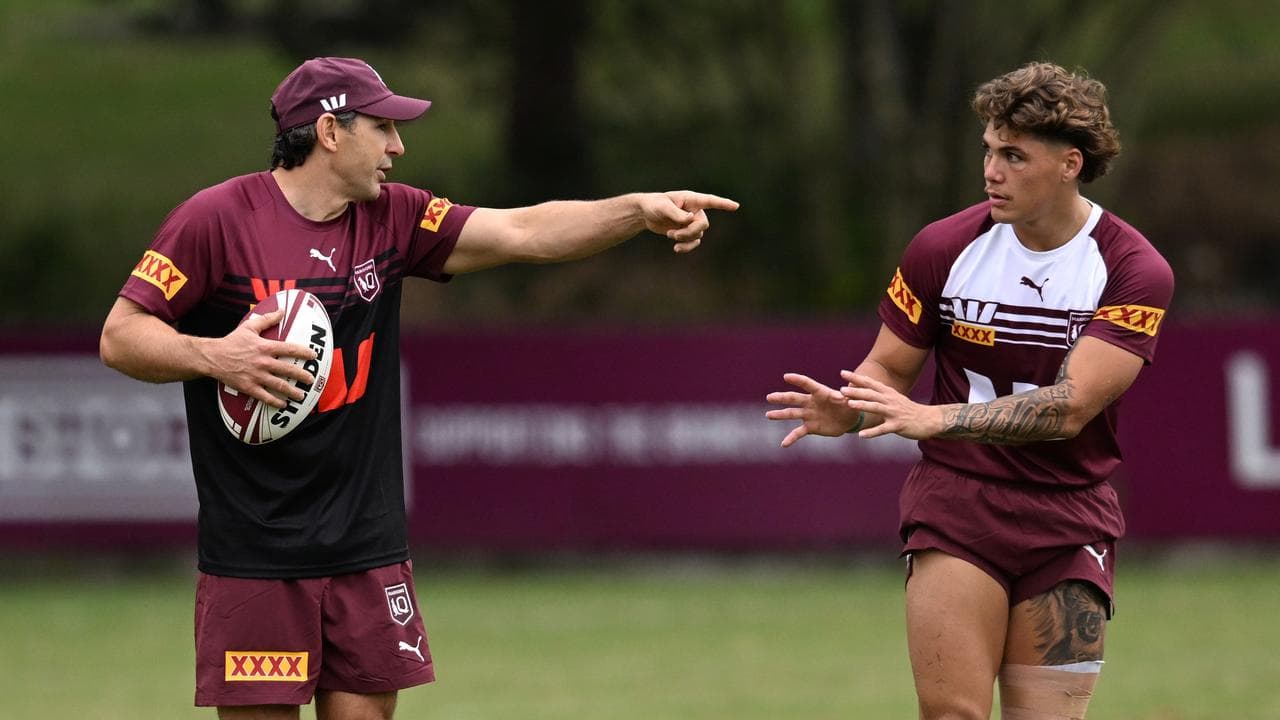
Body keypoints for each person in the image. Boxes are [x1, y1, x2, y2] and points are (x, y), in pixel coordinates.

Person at [99, 56, 737, 719]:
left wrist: (635, 210)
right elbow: (120, 335)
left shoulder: (394, 218)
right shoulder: (216, 221)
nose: (398, 147)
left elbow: (523, 231)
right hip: (256, 553)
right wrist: (216, 355)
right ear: (329, 132)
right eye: (383, 128)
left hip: (365, 547)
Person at [766, 62, 1173, 719]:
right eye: (988, 150)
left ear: (1071, 163)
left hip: (1069, 517)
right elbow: (888, 370)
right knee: (952, 714)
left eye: (1014, 155)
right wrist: (853, 404)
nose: (991, 171)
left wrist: (934, 418)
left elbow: (1069, 409)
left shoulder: (1131, 269)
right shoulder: (943, 248)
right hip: (958, 504)